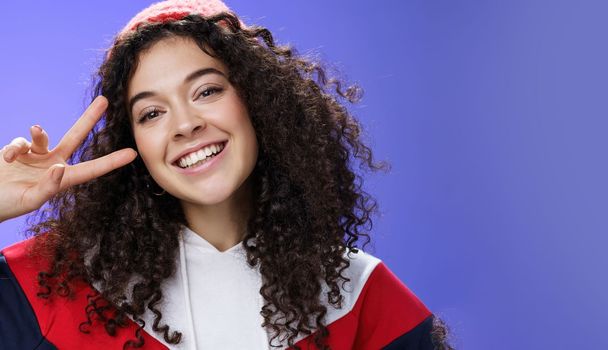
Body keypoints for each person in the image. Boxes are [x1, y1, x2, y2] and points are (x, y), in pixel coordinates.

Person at [0, 0, 452, 349]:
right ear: (133, 144)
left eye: (207, 90)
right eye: (152, 112)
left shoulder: (363, 299)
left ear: (258, 100)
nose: (184, 124)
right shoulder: (50, 286)